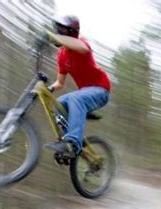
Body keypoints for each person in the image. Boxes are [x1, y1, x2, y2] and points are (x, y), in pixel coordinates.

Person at [44, 15, 111, 157]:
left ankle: (72, 142)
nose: (57, 32)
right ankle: (65, 141)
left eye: (61, 30)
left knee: (76, 98)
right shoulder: (62, 55)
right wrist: (49, 89)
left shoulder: (81, 44)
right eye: (57, 29)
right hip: (85, 92)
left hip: (101, 89)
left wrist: (51, 36)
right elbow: (60, 83)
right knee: (59, 103)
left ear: (72, 32)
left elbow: (83, 48)